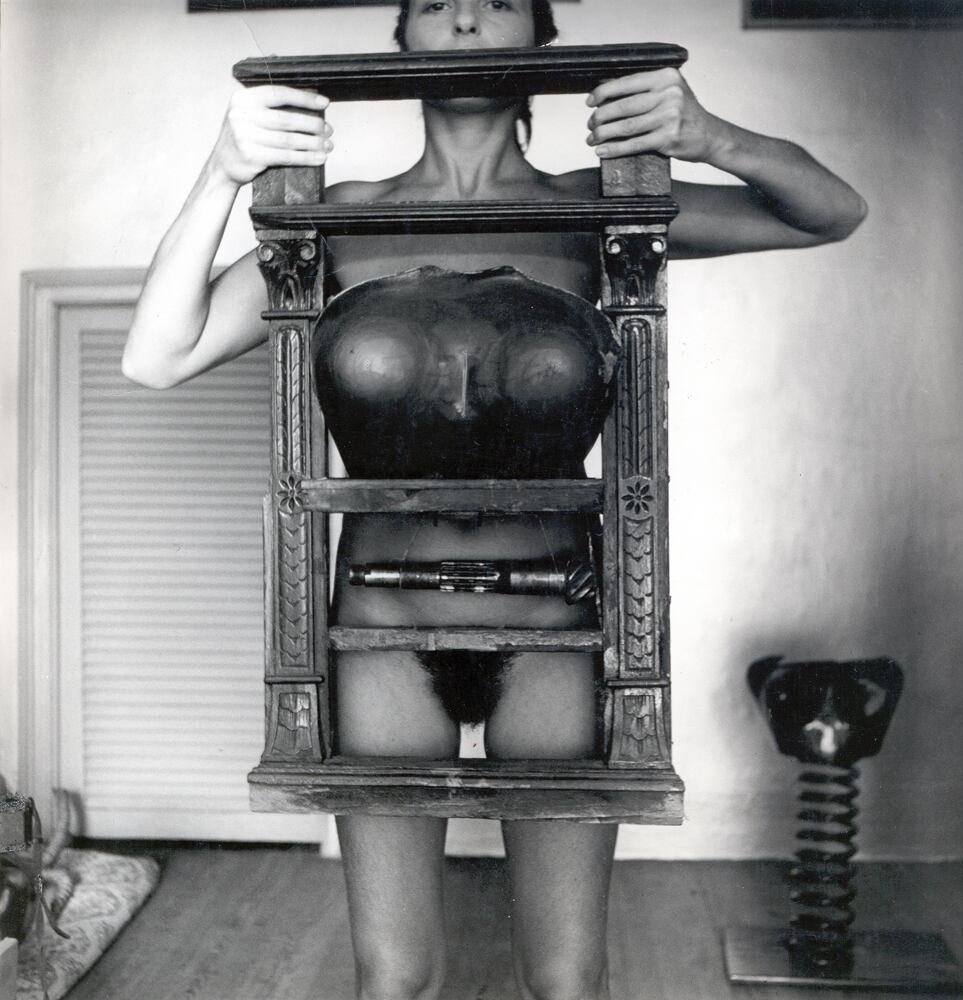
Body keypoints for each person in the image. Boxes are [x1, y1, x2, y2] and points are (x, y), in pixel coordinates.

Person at [122, 2, 866, 998]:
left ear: (541, 45)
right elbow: (158, 354)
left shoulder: (607, 205)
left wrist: (708, 136)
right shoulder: (332, 217)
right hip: (381, 623)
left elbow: (830, 212)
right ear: (400, 45)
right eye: (435, 2)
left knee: (566, 978)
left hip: (554, 619)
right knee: (393, 978)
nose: (467, 18)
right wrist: (223, 171)